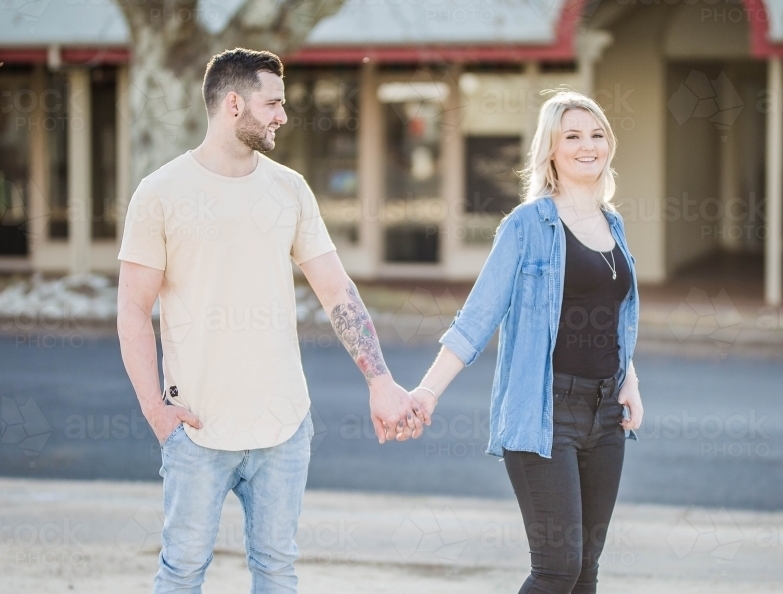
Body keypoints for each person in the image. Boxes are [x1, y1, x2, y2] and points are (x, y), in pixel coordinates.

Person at [116, 47, 428, 594]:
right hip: (197, 432)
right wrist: (155, 410)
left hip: (284, 430)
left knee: (278, 572)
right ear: (234, 104)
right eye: (273, 103)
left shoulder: (290, 189)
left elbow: (337, 291)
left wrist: (380, 379)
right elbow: (133, 310)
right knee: (182, 571)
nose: (283, 115)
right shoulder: (160, 193)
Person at [408, 90, 644, 593]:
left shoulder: (614, 224)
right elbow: (478, 316)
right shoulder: (526, 226)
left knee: (585, 572)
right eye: (573, 136)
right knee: (557, 569)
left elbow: (614, 313)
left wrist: (631, 381)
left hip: (606, 416)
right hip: (545, 413)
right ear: (551, 150)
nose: (589, 145)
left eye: (597, 134)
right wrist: (426, 392)